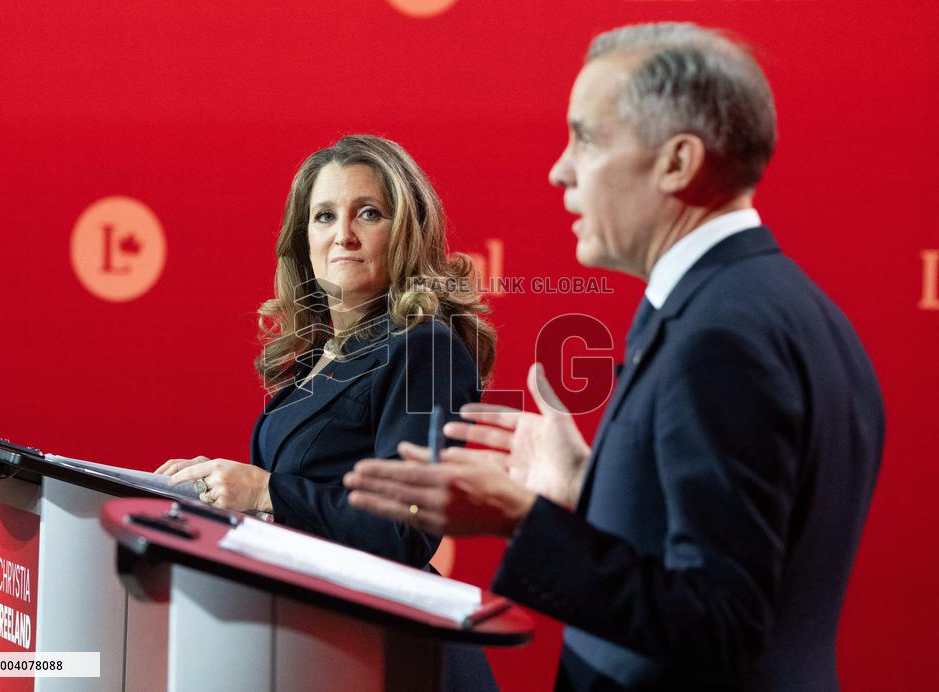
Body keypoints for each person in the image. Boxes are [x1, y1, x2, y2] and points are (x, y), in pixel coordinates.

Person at [344, 23, 885, 691]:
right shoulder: (787, 308)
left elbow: (718, 622)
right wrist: (586, 489)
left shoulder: (723, 336)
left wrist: (522, 519)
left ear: (678, 163)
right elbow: (727, 546)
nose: (559, 168)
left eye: (587, 138)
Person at [157, 134, 499, 690]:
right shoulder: (321, 355)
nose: (343, 235)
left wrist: (267, 491)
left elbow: (405, 528)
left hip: (394, 658)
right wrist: (218, 488)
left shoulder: (424, 346)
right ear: (304, 239)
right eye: (323, 216)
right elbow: (303, 493)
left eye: (368, 213)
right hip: (320, 645)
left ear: (405, 232)